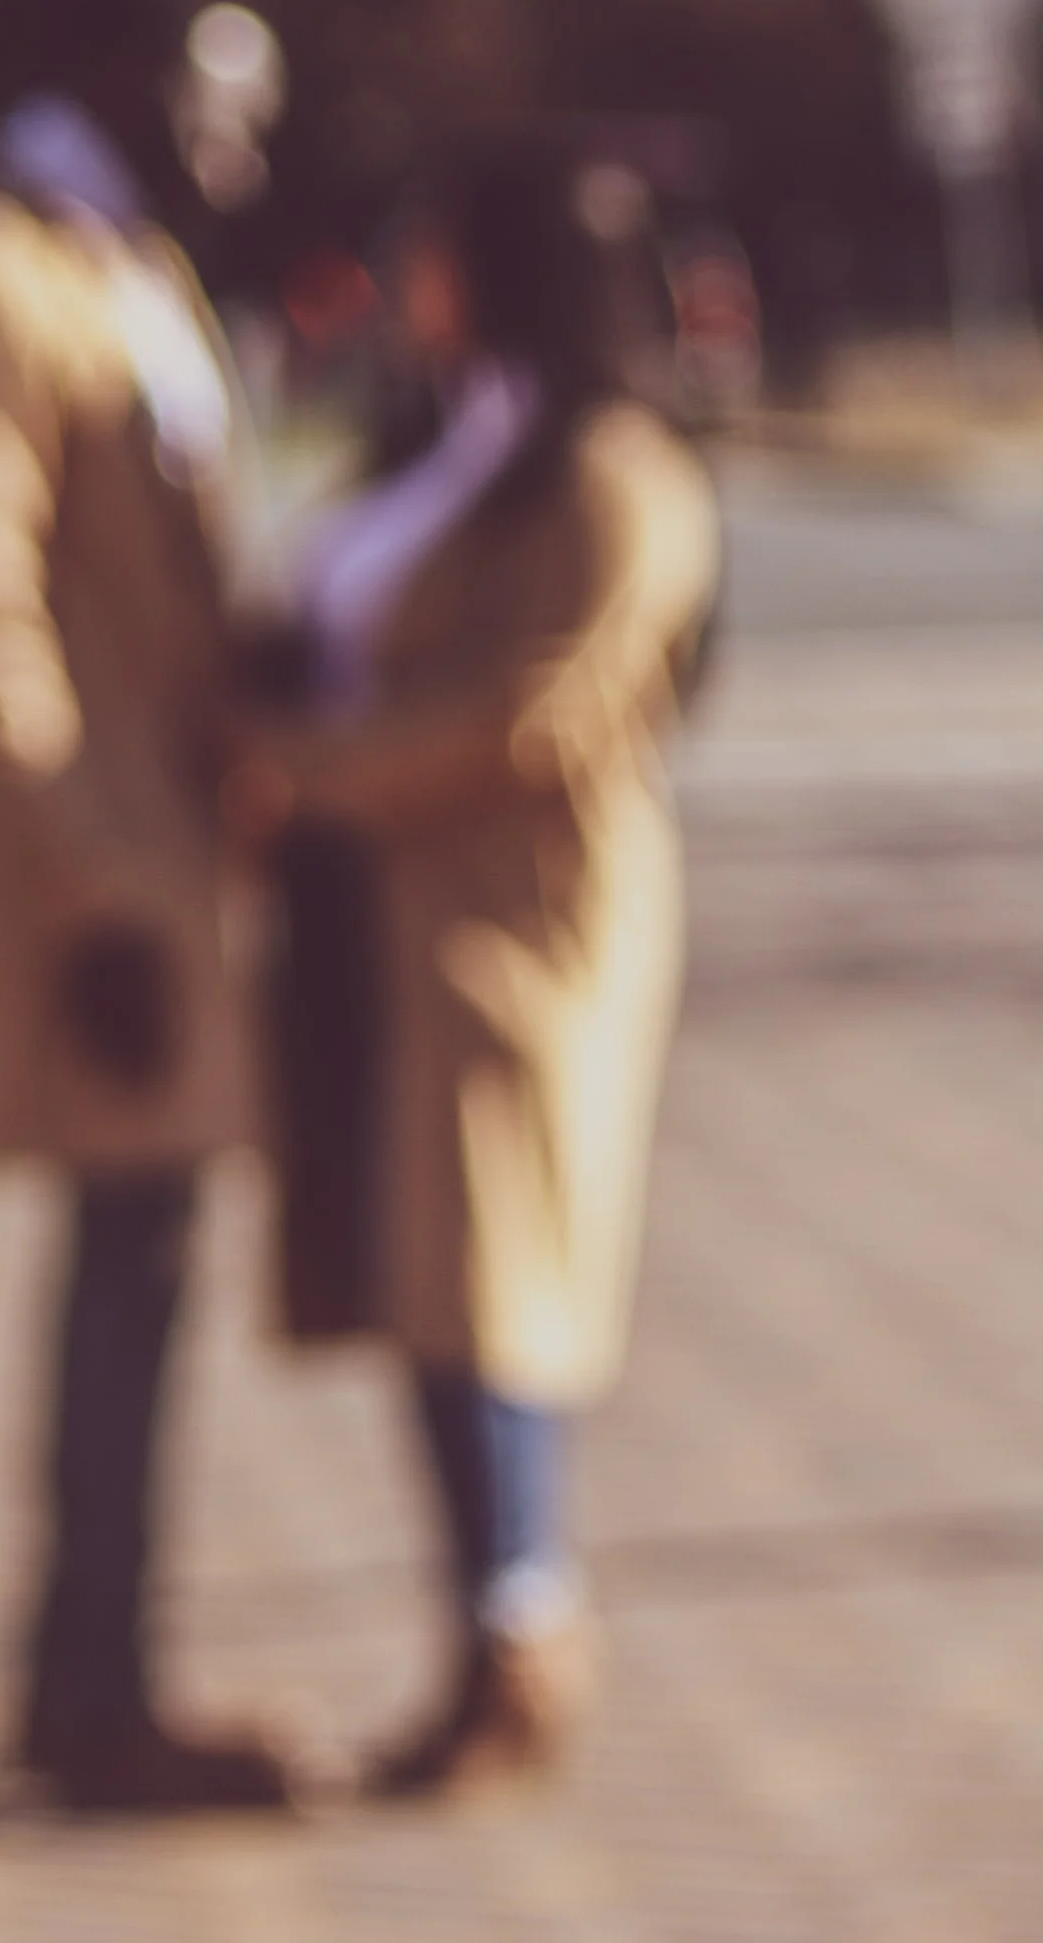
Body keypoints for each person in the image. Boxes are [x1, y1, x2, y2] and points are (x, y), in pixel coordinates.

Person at [228, 132, 721, 1798]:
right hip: (385, 923)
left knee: (500, 1284)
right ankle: (484, 1630)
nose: (402, 277)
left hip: (520, 932)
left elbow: (530, 707)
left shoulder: (616, 470)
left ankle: (526, 1628)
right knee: (430, 1290)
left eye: (432, 247)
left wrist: (305, 773)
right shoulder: (447, 438)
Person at [0, 89, 288, 1813]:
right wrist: (88, 883)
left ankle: (88, 1672)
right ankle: (94, 1689)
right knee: (129, 1263)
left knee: (146, 1256)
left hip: (173, 850)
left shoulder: (131, 265)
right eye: (208, 85)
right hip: (104, 865)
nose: (235, 119)